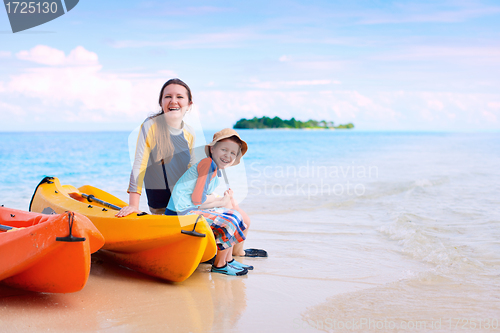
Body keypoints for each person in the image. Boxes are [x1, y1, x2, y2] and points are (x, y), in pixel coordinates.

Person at [165, 129, 253, 276]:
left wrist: (222, 200)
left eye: (233, 153)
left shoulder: (214, 169)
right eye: (224, 149)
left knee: (234, 214)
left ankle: (228, 259)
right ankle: (220, 264)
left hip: (188, 210)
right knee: (231, 218)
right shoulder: (207, 164)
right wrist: (221, 201)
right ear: (212, 149)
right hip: (179, 213)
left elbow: (202, 199)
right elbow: (197, 200)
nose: (228, 155)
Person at [116, 78, 195, 217]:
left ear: (189, 104)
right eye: (168, 96)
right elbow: (139, 164)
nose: (173, 101)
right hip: (162, 208)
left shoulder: (189, 132)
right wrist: (133, 205)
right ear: (161, 102)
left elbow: (192, 170)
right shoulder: (151, 126)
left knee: (237, 218)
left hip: (186, 204)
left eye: (180, 97)